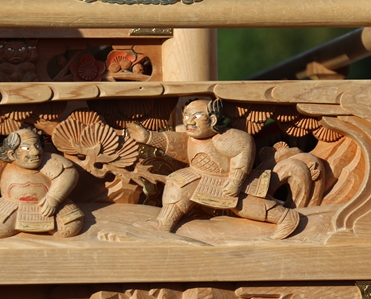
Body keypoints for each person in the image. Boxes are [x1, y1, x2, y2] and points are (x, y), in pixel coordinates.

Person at [128, 99, 300, 240]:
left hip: (228, 181)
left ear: (214, 119)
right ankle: (164, 223)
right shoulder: (191, 139)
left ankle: (286, 217)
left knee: (245, 206)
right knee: (177, 182)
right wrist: (148, 137)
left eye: (197, 116)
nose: (189, 121)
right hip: (199, 174)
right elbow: (174, 142)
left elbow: (242, 153)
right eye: (186, 115)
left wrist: (235, 180)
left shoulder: (226, 138)